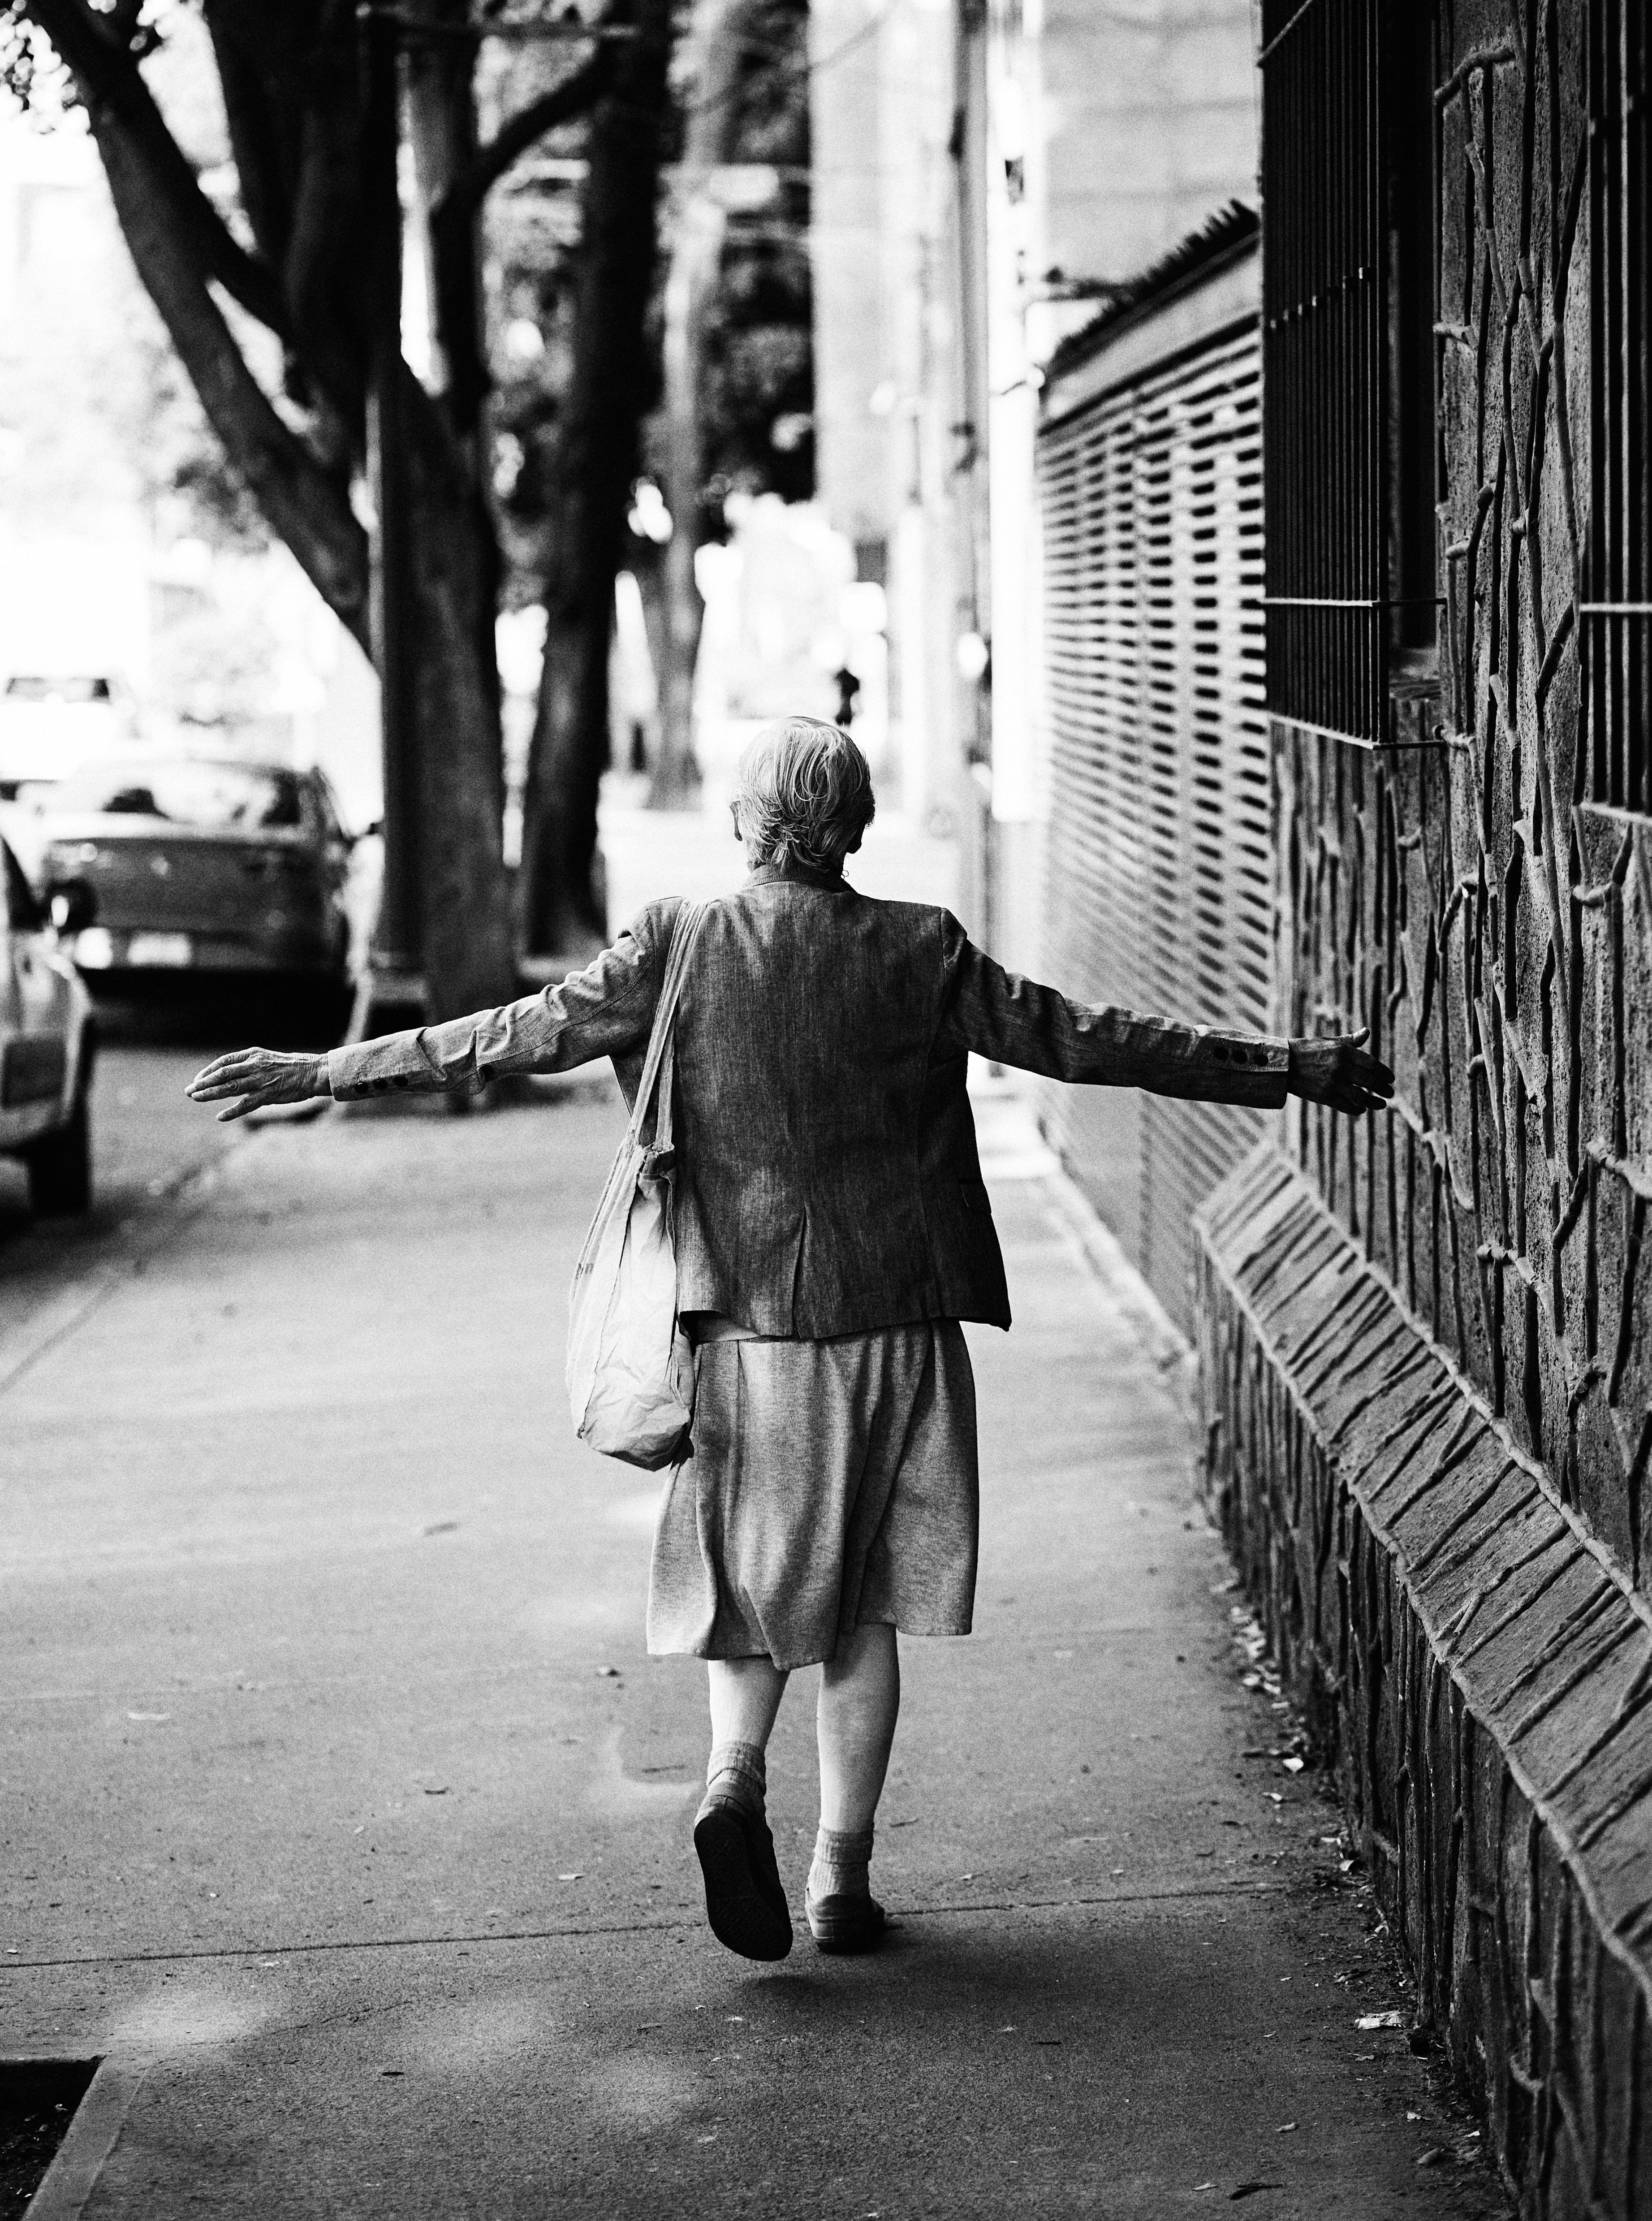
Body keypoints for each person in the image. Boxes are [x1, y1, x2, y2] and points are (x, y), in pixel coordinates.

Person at [188, 717, 1390, 1966]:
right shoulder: (923, 949)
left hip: (744, 1338)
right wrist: (1293, 1067)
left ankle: (731, 1781)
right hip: (899, 1335)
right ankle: (839, 1885)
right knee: (863, 1608)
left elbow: (512, 1033)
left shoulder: (679, 943)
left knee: (751, 1597)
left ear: (744, 821)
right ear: (855, 828)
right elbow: (1087, 1041)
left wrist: (328, 1070)